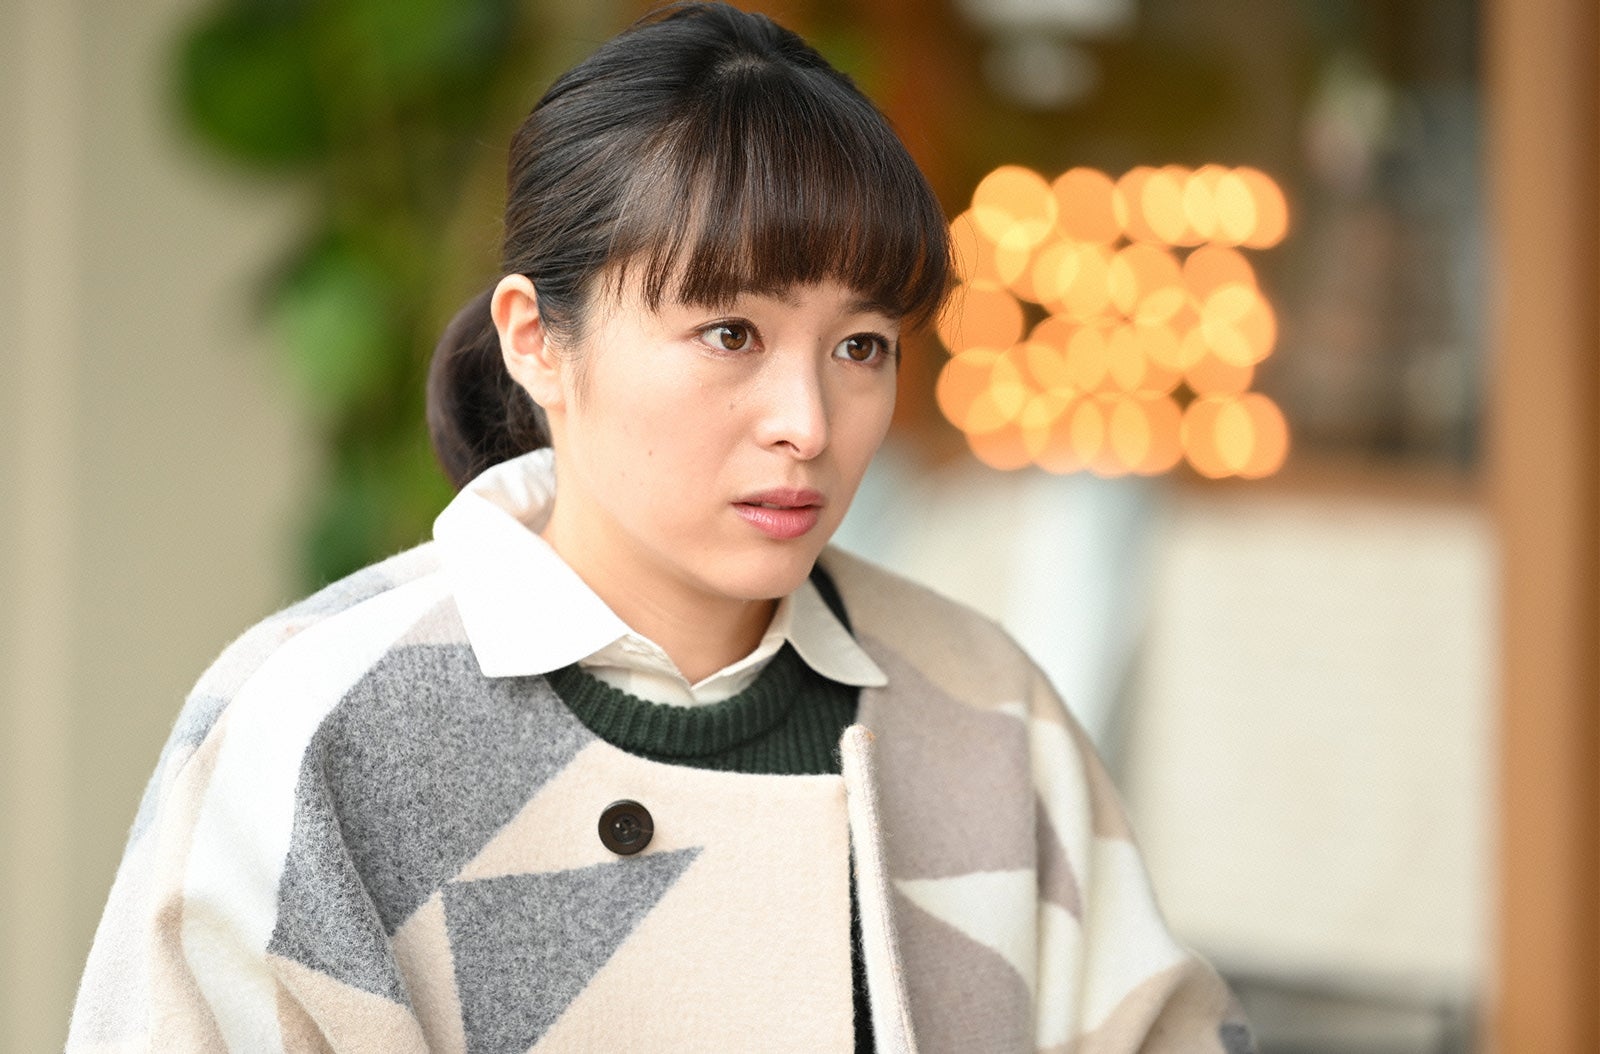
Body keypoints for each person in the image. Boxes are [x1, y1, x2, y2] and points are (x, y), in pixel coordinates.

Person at [68, 4, 1253, 1051]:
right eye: (730, 334)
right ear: (537, 340)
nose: (807, 423)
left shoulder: (980, 709)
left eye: (860, 346)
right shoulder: (320, 725)